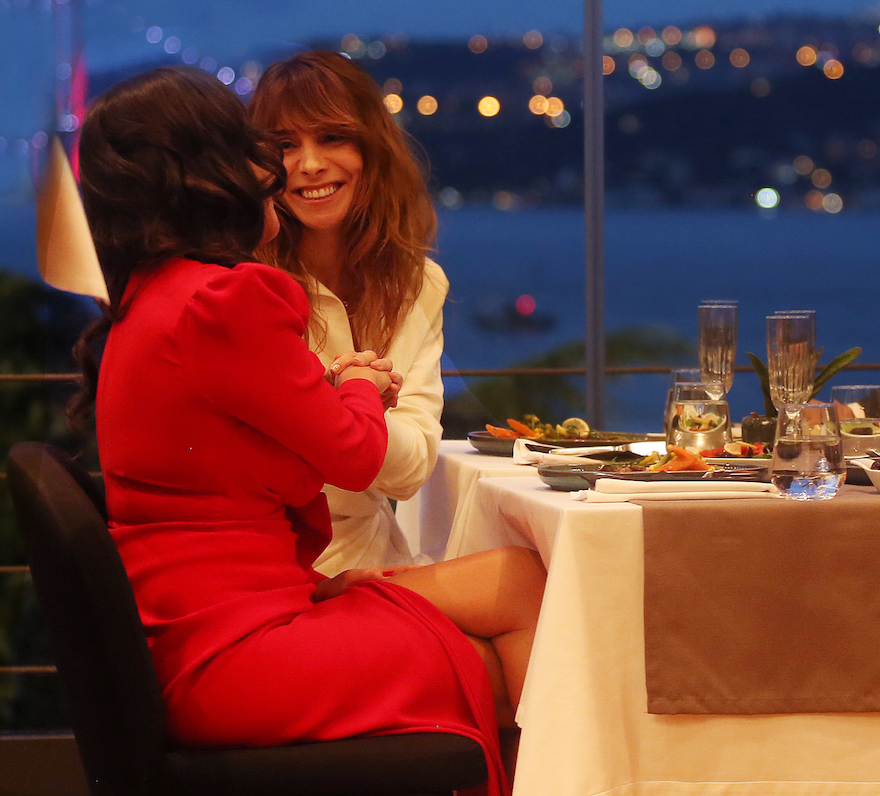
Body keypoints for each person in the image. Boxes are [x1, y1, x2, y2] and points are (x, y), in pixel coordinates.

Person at [74, 67, 544, 793]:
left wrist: (336, 390)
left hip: (196, 634)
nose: (281, 168)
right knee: (523, 666)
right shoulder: (227, 299)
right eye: (261, 147)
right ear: (214, 175)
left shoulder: (149, 296)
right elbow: (356, 456)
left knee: (519, 581)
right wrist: (357, 382)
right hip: (240, 649)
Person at [249, 50, 447, 574]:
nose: (310, 164)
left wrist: (347, 412)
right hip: (275, 562)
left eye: (332, 137)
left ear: (372, 147)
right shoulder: (244, 284)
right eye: (285, 146)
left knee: (527, 577)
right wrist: (361, 396)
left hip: (371, 555)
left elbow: (410, 471)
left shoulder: (418, 282)